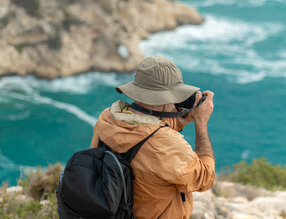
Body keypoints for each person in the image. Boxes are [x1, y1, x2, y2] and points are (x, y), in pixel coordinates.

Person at [90, 56, 215, 219]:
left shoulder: (107, 118)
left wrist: (179, 122)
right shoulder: (165, 144)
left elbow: (143, 135)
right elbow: (205, 178)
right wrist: (201, 122)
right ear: (165, 96)